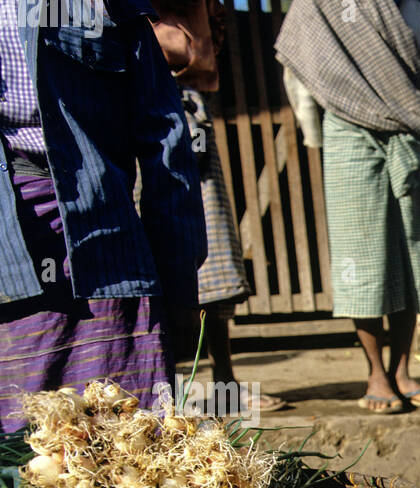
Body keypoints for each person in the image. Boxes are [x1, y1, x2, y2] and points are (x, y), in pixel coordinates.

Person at [0, 0, 205, 433]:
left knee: (133, 445)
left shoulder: (106, 5)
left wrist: (178, 280)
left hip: (106, 239)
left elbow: (165, 137)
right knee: (21, 465)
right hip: (8, 248)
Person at [275, 0, 420, 414]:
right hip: (348, 133)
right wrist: (315, 136)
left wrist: (413, 118)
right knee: (364, 255)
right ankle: (375, 373)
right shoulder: (321, 4)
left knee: (414, 253)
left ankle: (403, 371)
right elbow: (299, 68)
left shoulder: (414, 7)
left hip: (407, 133)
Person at [149, 0, 275, 413]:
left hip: (188, 116)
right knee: (150, 261)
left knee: (212, 254)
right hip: (140, 116)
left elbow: (201, 50)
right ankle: (159, 388)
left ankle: (225, 384)